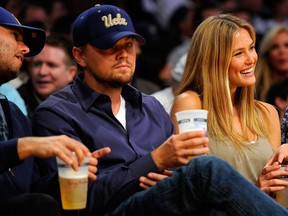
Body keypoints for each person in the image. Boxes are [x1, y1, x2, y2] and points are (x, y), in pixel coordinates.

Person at [32, 5, 288, 216]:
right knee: (206, 168)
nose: (123, 55)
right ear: (79, 56)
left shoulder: (150, 107)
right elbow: (69, 203)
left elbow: (182, 178)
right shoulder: (56, 114)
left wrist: (167, 181)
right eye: (109, 47)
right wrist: (152, 163)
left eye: (128, 45)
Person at [0, 6, 110, 216]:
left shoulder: (16, 115)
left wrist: (66, 177)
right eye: (15, 36)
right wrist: (25, 146)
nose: (25, 50)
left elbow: (30, 191)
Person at [170, 13, 288, 198]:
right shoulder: (191, 103)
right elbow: (194, 187)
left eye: (251, 48)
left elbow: (275, 194)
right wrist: (255, 191)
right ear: (213, 60)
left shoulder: (267, 113)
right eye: (239, 53)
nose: (251, 59)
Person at [17, 33, 78, 118]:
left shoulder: (84, 106)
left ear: (71, 72)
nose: (42, 72)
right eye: (37, 64)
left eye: (51, 65)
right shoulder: (14, 101)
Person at [255, 25, 288, 101]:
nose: (282, 51)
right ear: (267, 54)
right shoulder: (255, 91)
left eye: (287, 45)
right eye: (275, 47)